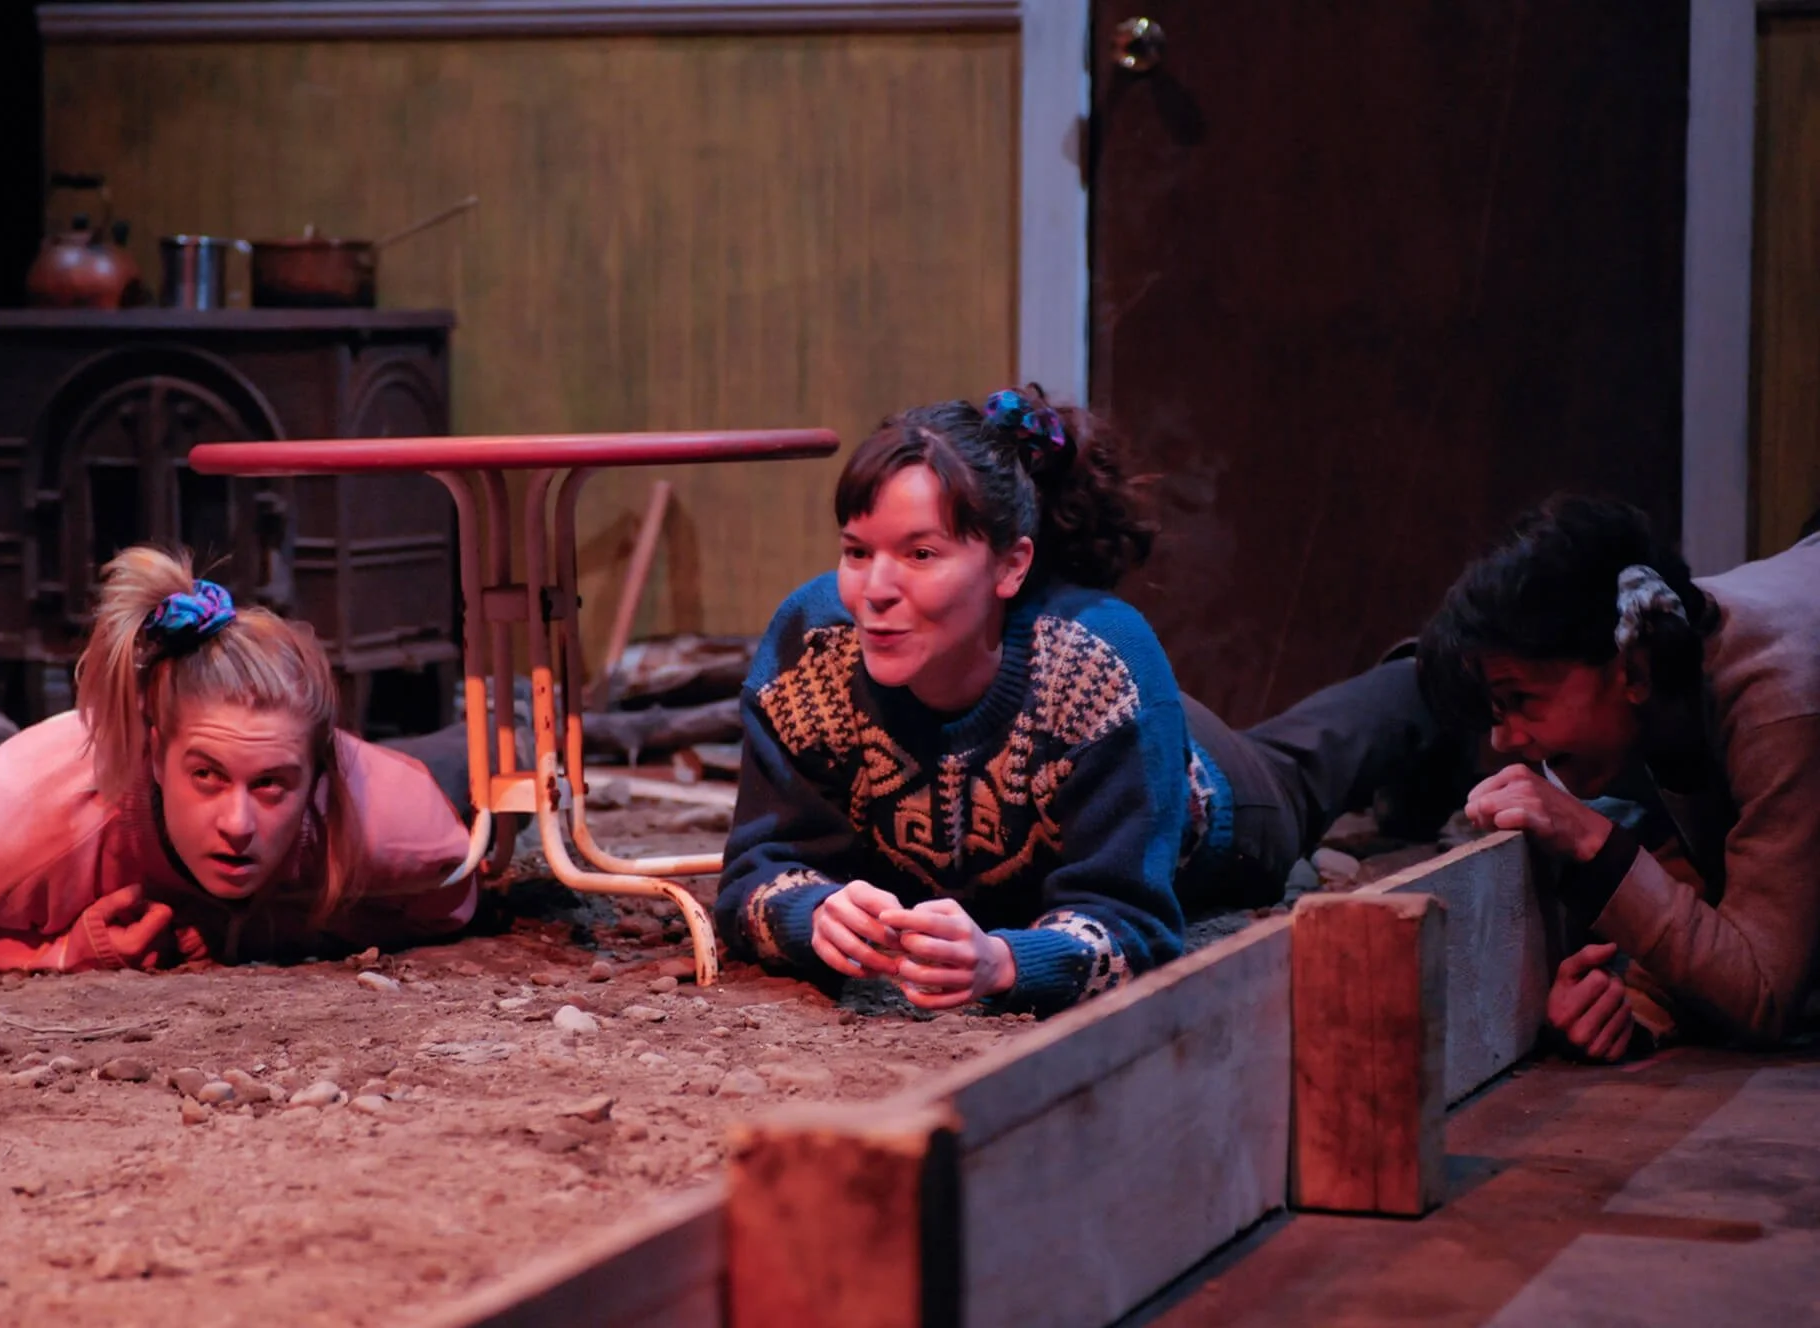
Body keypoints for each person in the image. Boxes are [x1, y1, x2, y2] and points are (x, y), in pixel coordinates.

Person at [715, 388, 1457, 1015]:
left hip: (1215, 805)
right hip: (1077, 731)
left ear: (1011, 565)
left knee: (1307, 762)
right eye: (856, 551)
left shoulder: (1096, 672)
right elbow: (756, 870)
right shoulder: (809, 654)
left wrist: (1005, 960)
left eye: (920, 554)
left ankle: (1432, 677)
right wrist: (808, 912)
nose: (875, 590)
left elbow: (1132, 924)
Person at [0, 547, 477, 970]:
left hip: (386, 773)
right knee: (12, 780)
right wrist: (59, 952)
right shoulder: (28, 813)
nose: (238, 826)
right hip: (54, 781)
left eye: (271, 784)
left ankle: (520, 725)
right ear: (154, 752)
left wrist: (270, 928)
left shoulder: (392, 821)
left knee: (473, 761)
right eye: (206, 777)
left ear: (319, 775)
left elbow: (451, 897)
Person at [1419, 497, 1819, 1057]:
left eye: (1520, 699)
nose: (1503, 740)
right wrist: (1629, 1011)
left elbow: (1764, 996)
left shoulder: (1780, 702)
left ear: (1631, 670)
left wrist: (1593, 842)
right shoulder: (1650, 630)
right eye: (1496, 709)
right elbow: (1717, 875)